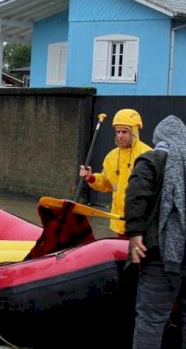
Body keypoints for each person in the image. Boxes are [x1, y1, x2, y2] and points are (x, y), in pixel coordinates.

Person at [125, 115, 186, 349]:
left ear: (158, 138)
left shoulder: (152, 160)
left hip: (164, 254)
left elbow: (137, 194)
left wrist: (135, 232)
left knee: (151, 318)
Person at [79, 108, 152, 236]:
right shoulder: (111, 157)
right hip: (118, 223)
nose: (119, 135)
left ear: (134, 132)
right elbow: (106, 183)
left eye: (124, 132)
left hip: (141, 225)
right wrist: (91, 178)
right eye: (117, 131)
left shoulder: (148, 155)